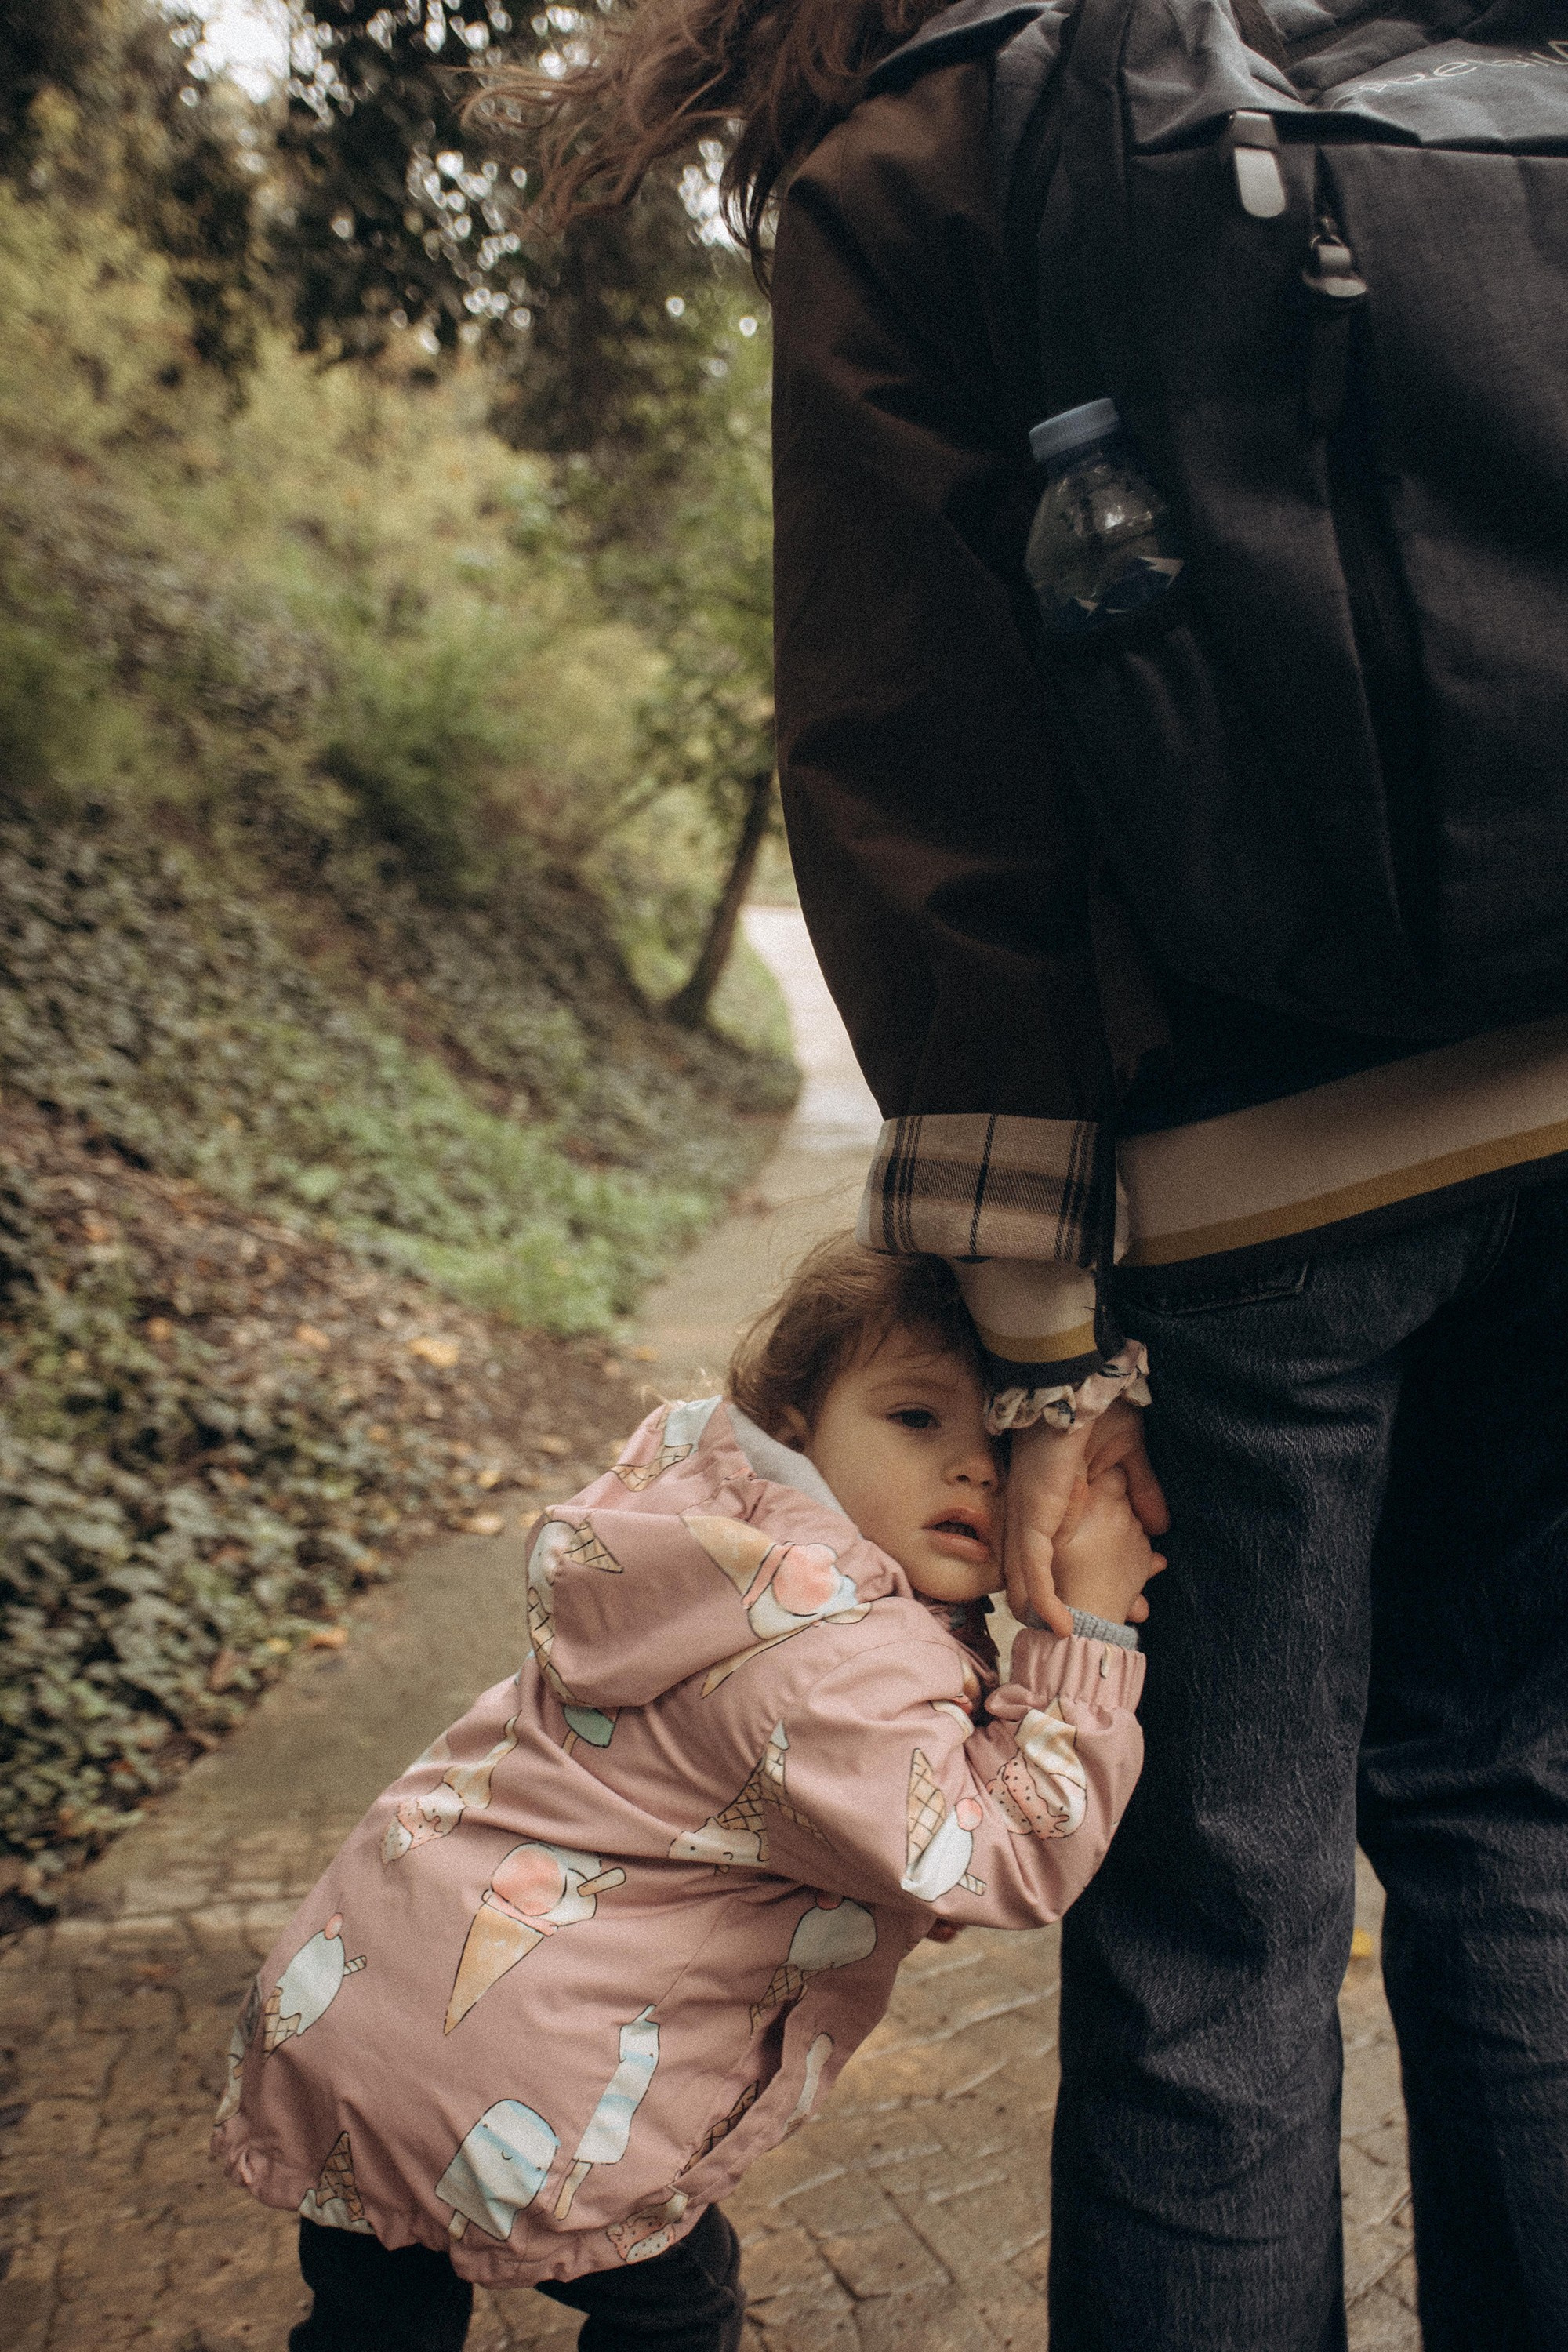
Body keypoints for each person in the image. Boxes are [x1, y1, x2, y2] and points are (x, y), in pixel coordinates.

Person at [481, 4, 1568, 2346]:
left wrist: (1048, 1368)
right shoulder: (1446, 57)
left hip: (1249, 1197)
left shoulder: (932, 133)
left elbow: (922, 780)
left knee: (1217, 1936)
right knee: (1522, 1830)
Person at [216, 1236, 1159, 2350]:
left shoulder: (690, 1542)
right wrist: (1084, 1630)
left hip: (352, 2012)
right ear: (800, 1421)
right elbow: (1003, 1856)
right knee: (679, 2310)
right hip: (537, 2091)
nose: (973, 1471)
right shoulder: (833, 1657)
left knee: (374, 2318)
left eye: (1007, 1445)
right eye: (918, 1420)